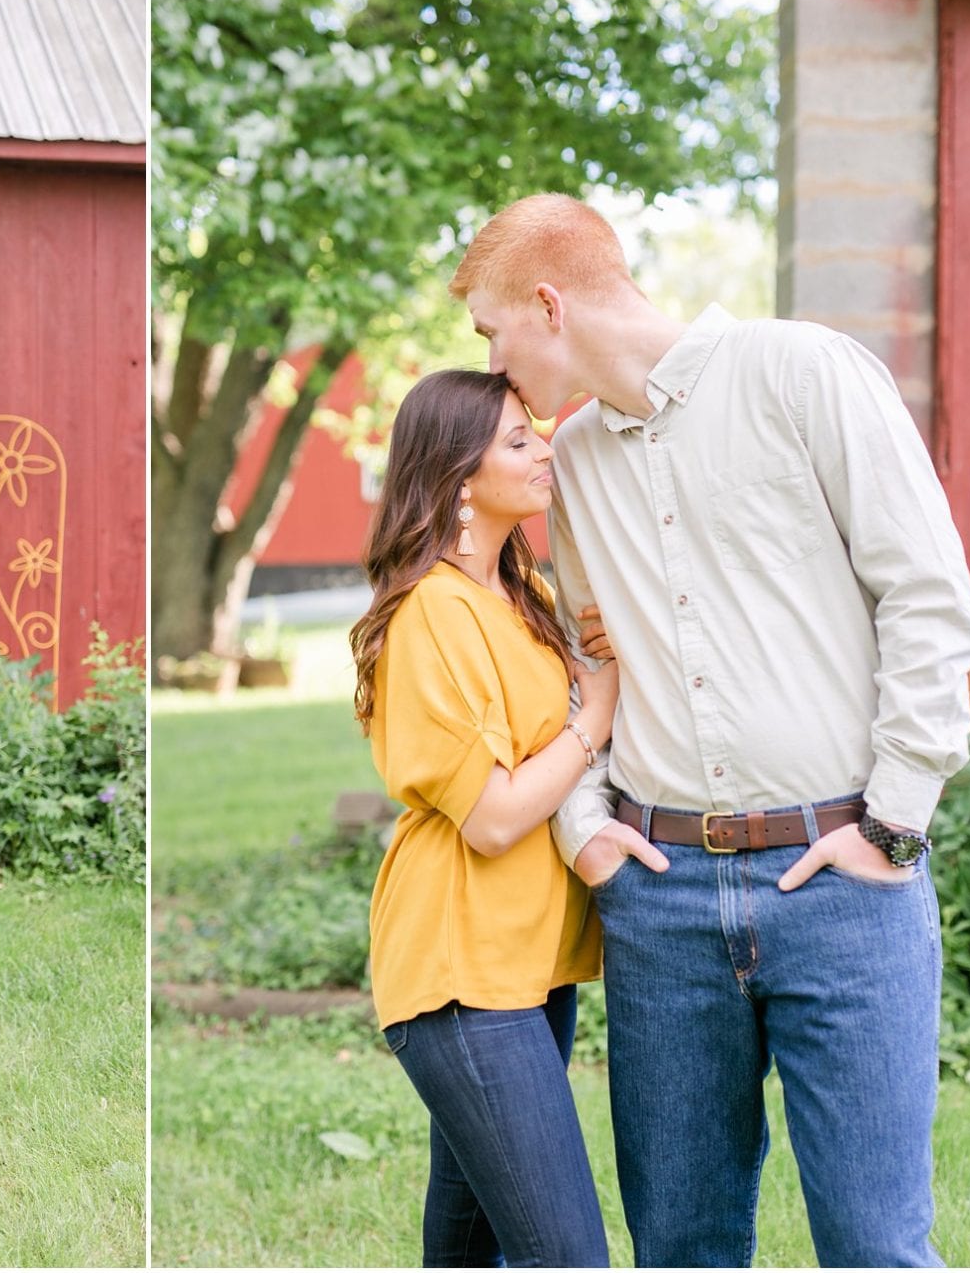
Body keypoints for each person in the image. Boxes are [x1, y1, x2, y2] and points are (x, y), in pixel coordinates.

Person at [450, 192, 970, 1267]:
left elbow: (929, 600)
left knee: (875, 1244)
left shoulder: (803, 372)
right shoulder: (581, 460)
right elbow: (587, 656)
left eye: (490, 331)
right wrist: (587, 830)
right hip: (662, 900)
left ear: (548, 304)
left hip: (845, 884)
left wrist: (892, 826)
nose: (492, 364)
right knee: (683, 1245)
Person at [350, 368, 633, 1268]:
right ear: (456, 473)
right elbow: (496, 816)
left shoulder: (521, 596)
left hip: (529, 964)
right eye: (517, 439)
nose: (544, 447)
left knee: (465, 1248)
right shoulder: (432, 609)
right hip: (461, 967)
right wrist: (595, 717)